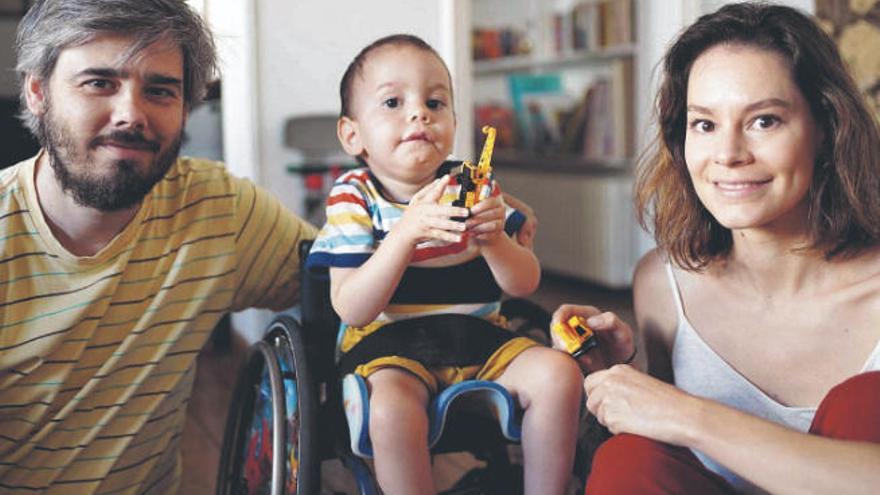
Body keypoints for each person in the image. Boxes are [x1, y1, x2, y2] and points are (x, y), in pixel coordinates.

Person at [551, 3, 880, 494]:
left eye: (764, 121)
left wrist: (689, 414)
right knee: (628, 459)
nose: (728, 154)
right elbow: (670, 463)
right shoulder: (663, 284)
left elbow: (685, 423)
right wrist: (616, 379)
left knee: (866, 403)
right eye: (704, 124)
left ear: (827, 129)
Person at [0, 0, 319, 493]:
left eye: (160, 90)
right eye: (99, 83)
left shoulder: (217, 208)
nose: (131, 114)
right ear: (38, 91)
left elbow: (339, 282)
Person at [306, 34, 583, 495]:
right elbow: (353, 308)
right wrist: (406, 233)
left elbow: (523, 283)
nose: (420, 113)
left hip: (481, 338)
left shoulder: (472, 185)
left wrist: (495, 242)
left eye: (435, 102)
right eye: (393, 102)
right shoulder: (354, 197)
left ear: (454, 121)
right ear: (352, 135)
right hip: (388, 348)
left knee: (560, 373)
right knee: (392, 409)